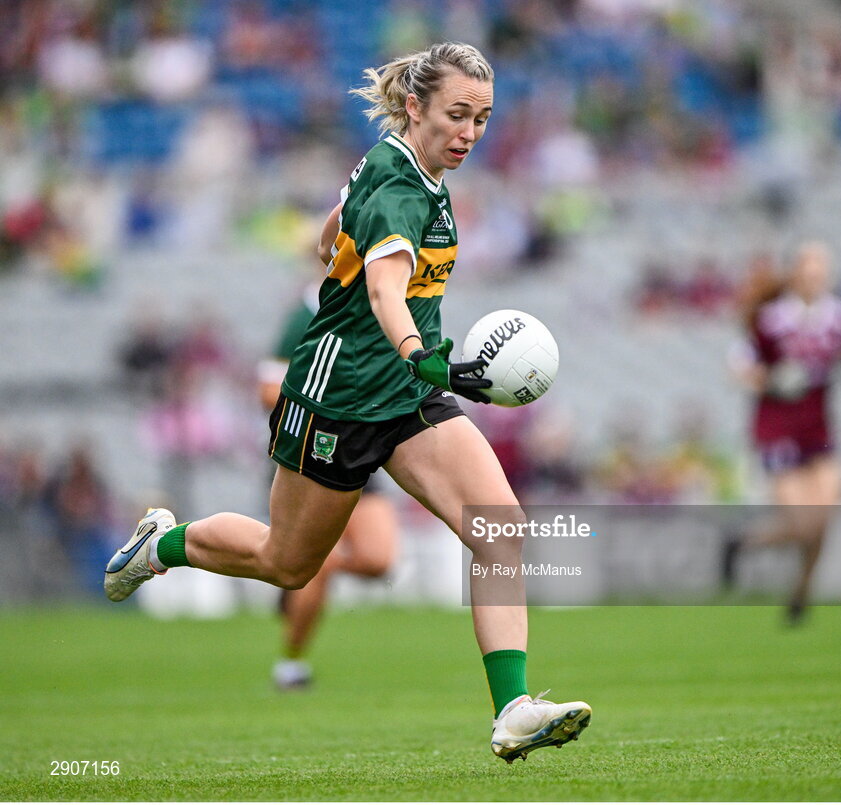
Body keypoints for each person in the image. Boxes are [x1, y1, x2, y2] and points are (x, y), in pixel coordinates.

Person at [104, 42, 590, 762]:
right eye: (458, 115)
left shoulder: (408, 166)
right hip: (339, 395)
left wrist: (342, 252)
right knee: (287, 561)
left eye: (483, 119)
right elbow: (385, 289)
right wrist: (419, 353)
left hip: (406, 394)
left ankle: (513, 707)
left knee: (499, 530)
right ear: (416, 105)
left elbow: (336, 225)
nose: (470, 133)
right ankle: (162, 543)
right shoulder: (399, 183)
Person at [258, 277, 400, 691]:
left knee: (378, 559)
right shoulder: (305, 311)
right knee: (298, 563)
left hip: (363, 448)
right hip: (313, 451)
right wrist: (334, 400)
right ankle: (291, 662)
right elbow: (268, 389)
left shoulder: (384, 298)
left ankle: (317, 563)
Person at [724, 242, 841, 623]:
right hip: (777, 428)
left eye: (822, 269)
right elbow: (739, 368)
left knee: (825, 518)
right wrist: (772, 379)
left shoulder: (840, 317)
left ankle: (801, 592)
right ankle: (743, 543)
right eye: (809, 268)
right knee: (804, 524)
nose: (816, 276)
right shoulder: (770, 319)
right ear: (796, 273)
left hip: (818, 428)